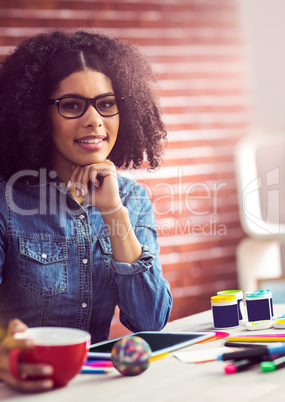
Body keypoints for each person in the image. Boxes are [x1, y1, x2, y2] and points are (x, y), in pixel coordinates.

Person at [0, 30, 173, 390]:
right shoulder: (7, 202)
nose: (95, 120)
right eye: (72, 105)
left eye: (106, 104)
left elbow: (150, 320)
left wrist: (114, 213)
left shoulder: (131, 198)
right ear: (37, 115)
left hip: (95, 388)